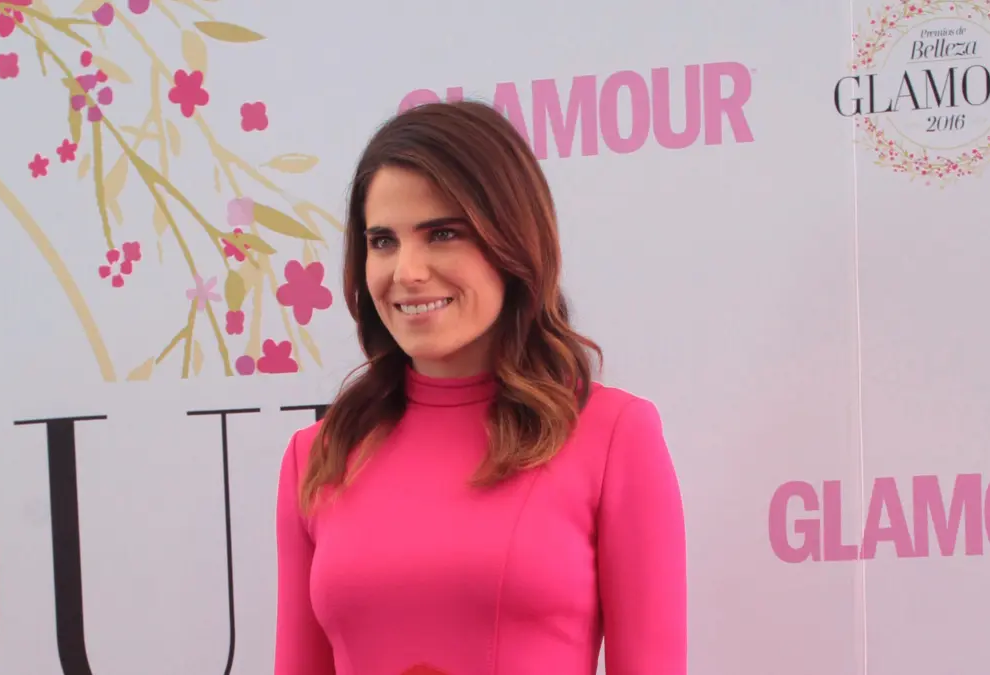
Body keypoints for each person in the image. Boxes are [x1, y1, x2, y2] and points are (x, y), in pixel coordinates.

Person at [274, 100, 687, 675]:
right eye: (383, 241)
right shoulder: (318, 454)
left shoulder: (613, 436)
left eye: (442, 234)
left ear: (512, 241)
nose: (407, 272)